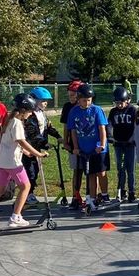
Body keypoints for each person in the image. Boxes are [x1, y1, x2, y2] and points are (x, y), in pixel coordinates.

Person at [0, 94, 49, 232]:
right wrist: (38, 153)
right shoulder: (17, 123)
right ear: (24, 110)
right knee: (25, 186)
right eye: (30, 111)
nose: (30, 114)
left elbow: (9, 142)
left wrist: (26, 152)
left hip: (3, 161)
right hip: (13, 162)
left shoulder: (9, 120)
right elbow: (21, 141)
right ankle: (15, 217)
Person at [67, 84, 110, 211]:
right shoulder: (74, 112)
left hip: (98, 148)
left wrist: (101, 144)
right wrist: (75, 147)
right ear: (78, 99)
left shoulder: (97, 110)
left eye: (89, 100)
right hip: (84, 149)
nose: (87, 103)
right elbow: (73, 131)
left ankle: (105, 195)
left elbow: (102, 129)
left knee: (101, 172)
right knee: (90, 174)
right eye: (84, 100)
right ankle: (91, 198)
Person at [23, 87, 63, 204]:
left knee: (35, 171)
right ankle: (27, 194)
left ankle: (29, 192)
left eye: (46, 101)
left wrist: (58, 136)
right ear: (34, 100)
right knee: (30, 171)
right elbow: (32, 134)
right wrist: (45, 144)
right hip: (28, 148)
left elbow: (48, 127)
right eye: (42, 101)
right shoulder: (30, 115)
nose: (45, 103)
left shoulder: (42, 114)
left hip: (37, 147)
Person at [107, 86, 137, 202]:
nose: (119, 105)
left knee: (131, 168)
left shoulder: (132, 110)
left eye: (121, 103)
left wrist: (132, 138)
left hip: (130, 143)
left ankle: (132, 191)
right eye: (117, 103)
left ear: (127, 100)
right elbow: (109, 125)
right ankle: (121, 190)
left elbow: (136, 125)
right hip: (118, 143)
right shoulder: (113, 112)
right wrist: (110, 136)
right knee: (120, 168)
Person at [60, 79, 84, 209]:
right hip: (72, 144)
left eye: (73, 95)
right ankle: (75, 196)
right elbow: (65, 127)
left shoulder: (86, 105)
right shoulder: (67, 107)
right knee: (77, 169)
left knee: (91, 171)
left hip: (86, 142)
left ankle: (94, 196)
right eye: (69, 95)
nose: (71, 98)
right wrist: (65, 141)